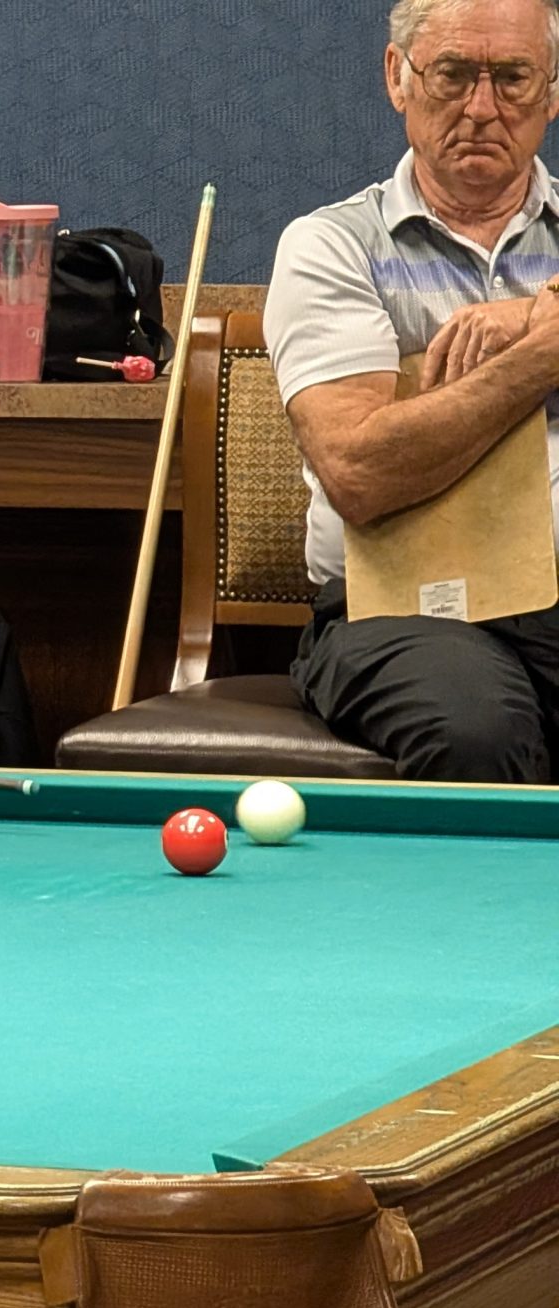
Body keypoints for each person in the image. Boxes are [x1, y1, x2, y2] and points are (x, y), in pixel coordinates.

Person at [271, 0, 559, 780]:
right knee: (475, 726)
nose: (482, 107)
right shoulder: (333, 246)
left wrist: (532, 311)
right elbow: (360, 472)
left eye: (513, 77)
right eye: (454, 74)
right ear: (398, 77)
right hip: (397, 611)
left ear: (552, 92)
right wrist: (543, 355)